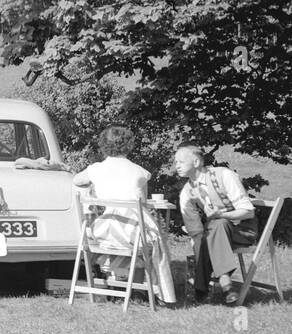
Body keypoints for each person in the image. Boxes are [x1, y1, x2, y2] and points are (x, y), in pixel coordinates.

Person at [71, 125, 176, 304]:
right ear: (129, 145)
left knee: (142, 237)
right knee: (155, 240)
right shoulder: (139, 172)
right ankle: (152, 292)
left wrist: (92, 192)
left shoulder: (95, 169)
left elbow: (76, 181)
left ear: (103, 145)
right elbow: (141, 203)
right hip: (129, 233)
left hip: (101, 232)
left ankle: (117, 286)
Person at [173, 145, 256, 304]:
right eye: (175, 162)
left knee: (217, 223)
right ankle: (226, 286)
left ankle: (202, 287)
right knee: (208, 231)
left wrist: (220, 214)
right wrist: (200, 248)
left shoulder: (224, 175)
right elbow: (196, 233)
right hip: (215, 234)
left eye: (181, 162)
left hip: (243, 230)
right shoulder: (186, 193)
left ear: (196, 162)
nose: (176, 165)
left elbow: (248, 212)